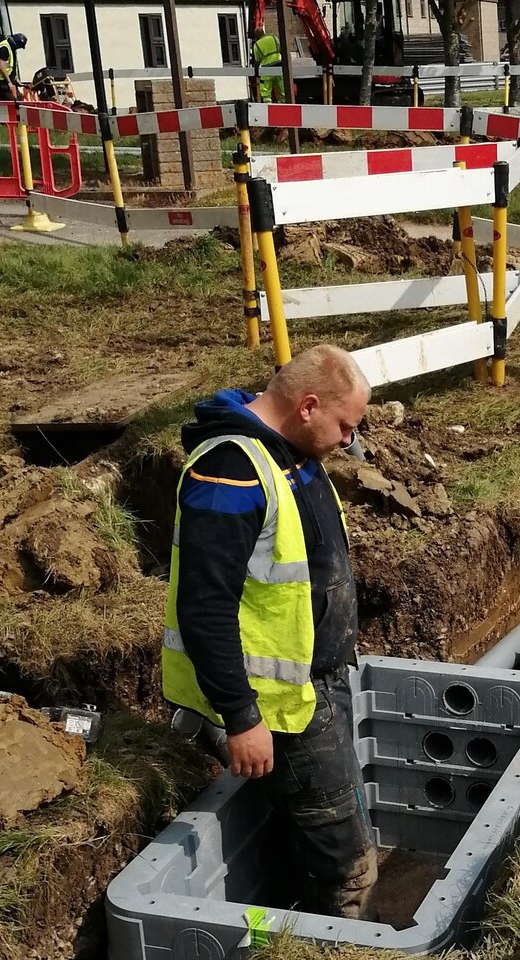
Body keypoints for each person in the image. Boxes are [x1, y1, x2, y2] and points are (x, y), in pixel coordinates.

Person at [162, 344, 378, 919]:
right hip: (280, 709)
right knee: (347, 863)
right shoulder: (229, 471)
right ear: (308, 406)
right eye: (345, 426)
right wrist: (242, 716)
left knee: (318, 837)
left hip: (314, 690)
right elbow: (204, 608)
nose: (349, 442)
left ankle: (302, 932)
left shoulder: (289, 452)